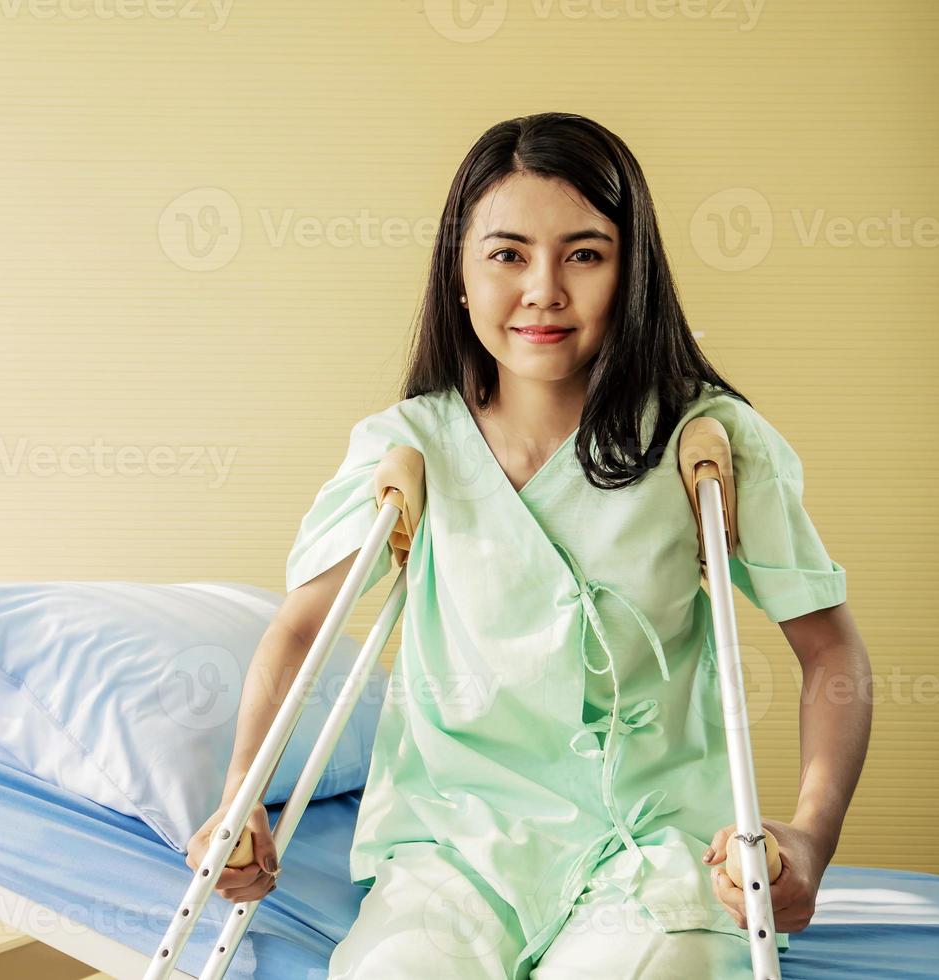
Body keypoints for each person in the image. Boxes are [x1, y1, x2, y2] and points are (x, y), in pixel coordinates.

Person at [184, 111, 873, 979]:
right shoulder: (409, 446)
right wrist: (239, 799)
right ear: (460, 277)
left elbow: (828, 647)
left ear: (632, 275)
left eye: (584, 254)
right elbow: (299, 632)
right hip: (451, 852)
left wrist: (809, 834)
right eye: (508, 255)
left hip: (654, 850)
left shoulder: (708, 442)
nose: (544, 289)